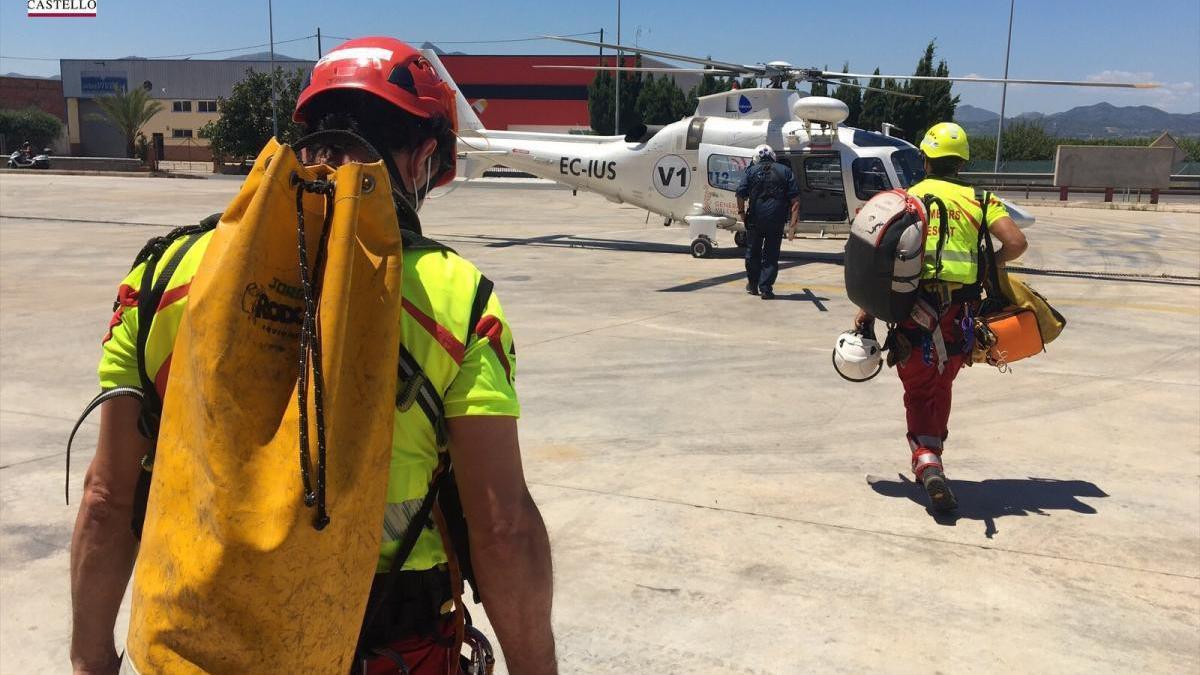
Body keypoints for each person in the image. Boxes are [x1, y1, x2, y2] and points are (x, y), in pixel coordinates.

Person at [69, 37, 557, 675]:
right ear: (424, 160)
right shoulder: (455, 300)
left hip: (199, 643)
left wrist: (89, 660)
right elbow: (502, 528)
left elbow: (108, 500)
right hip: (386, 647)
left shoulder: (166, 276)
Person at [855, 122, 1027, 511]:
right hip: (960, 317)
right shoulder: (982, 200)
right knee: (942, 382)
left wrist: (866, 312)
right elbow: (1016, 243)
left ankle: (927, 461)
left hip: (914, 312)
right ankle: (934, 450)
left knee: (917, 388)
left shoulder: (907, 199)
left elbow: (880, 263)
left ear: (925, 159)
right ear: (962, 162)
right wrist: (989, 264)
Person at [737, 144, 800, 299]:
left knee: (753, 253)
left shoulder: (750, 171)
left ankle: (753, 285)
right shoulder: (785, 171)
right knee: (771, 255)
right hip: (776, 220)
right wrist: (792, 225)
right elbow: (796, 202)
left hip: (755, 219)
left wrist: (742, 213)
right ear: (773, 156)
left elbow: (740, 194)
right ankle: (766, 289)